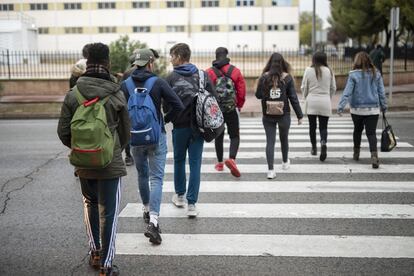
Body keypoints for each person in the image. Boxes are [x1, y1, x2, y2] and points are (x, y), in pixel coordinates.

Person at [57, 42, 130, 276]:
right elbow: (126, 132)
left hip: (84, 164)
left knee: (89, 204)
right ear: (108, 63)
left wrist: (82, 149)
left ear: (87, 62)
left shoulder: (73, 94)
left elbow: (63, 131)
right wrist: (110, 150)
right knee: (109, 212)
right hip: (110, 164)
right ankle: (107, 265)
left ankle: (95, 252)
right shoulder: (116, 93)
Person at [120, 48, 184, 245]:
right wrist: (164, 120)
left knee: (142, 175)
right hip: (156, 136)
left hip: (135, 138)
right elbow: (178, 105)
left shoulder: (125, 85)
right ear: (150, 63)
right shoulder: (158, 82)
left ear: (134, 64)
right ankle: (154, 222)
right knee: (156, 178)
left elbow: (119, 111)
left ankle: (146, 210)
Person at [165, 43, 216, 217]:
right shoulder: (203, 75)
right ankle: (192, 204)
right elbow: (212, 99)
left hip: (179, 127)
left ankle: (180, 196)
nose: (171, 59)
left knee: (179, 160)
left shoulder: (170, 78)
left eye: (172, 56)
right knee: (195, 164)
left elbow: (165, 105)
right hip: (199, 127)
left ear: (179, 56)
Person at [255, 52, 303, 179]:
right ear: (283, 63)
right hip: (284, 114)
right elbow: (293, 97)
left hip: (268, 114)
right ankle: (285, 162)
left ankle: (270, 170)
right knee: (284, 138)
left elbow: (258, 95)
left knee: (270, 141)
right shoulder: (287, 78)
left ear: (270, 63)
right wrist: (299, 115)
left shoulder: (264, 77)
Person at [337, 51, 387, 169]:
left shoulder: (353, 75)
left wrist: (341, 106)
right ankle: (374, 156)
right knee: (371, 133)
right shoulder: (376, 74)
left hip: (357, 110)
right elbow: (381, 92)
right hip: (373, 109)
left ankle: (356, 153)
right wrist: (384, 106)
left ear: (357, 61)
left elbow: (347, 92)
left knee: (357, 131)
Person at [206, 47, 246, 177]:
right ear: (227, 55)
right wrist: (239, 105)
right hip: (231, 109)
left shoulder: (210, 72)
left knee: (219, 136)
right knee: (234, 135)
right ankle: (232, 159)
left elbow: (206, 92)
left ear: (216, 56)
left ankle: (219, 163)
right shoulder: (235, 71)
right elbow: (241, 91)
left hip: (216, 110)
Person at [121, 48, 161, 167]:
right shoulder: (152, 75)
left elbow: (122, 91)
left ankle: (128, 156)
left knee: (131, 129)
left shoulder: (127, 73)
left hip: (131, 107)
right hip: (147, 107)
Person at [301, 51, 336, 161]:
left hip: (311, 101)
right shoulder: (329, 71)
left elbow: (304, 87)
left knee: (312, 126)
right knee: (323, 126)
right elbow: (333, 87)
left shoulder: (308, 70)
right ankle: (323, 142)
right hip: (325, 101)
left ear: (314, 59)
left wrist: (305, 97)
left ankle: (314, 148)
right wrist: (327, 97)